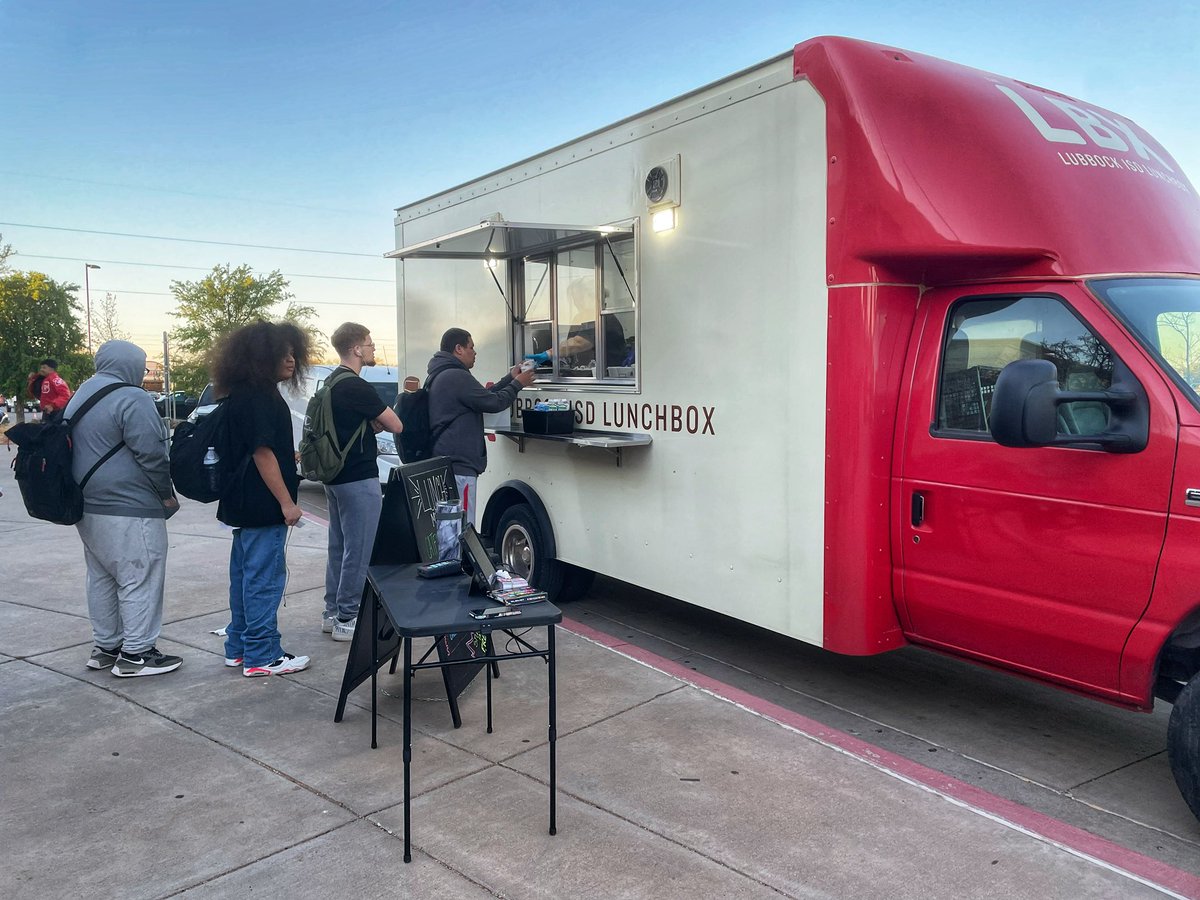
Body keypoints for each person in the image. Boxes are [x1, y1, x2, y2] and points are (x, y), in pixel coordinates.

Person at [67, 341, 182, 677]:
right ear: (129, 364)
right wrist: (166, 494)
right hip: (129, 505)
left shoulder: (82, 394)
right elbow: (152, 453)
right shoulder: (132, 397)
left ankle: (106, 648)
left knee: (102, 576)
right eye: (142, 365)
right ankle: (137, 654)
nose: (143, 372)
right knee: (139, 575)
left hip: (87, 506)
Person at [211, 321, 313, 677]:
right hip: (263, 506)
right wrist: (287, 503)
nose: (291, 359)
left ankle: (238, 648)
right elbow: (262, 453)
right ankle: (262, 654)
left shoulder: (239, 393)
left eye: (292, 352)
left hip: (241, 503)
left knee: (243, 578)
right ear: (261, 356)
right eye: (283, 352)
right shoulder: (261, 397)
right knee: (264, 580)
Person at [321, 322, 403, 642]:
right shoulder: (356, 386)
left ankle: (331, 613)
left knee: (339, 546)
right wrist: (378, 421)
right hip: (358, 476)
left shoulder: (329, 383)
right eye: (369, 344)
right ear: (356, 349)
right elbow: (395, 424)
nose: (372, 348)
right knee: (361, 548)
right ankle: (348, 616)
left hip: (333, 477)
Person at [427, 327, 536, 527]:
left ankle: (451, 558)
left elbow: (484, 397)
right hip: (459, 467)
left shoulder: (443, 373)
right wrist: (518, 384)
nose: (475, 352)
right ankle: (457, 559)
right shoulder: (456, 376)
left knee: (448, 525)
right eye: (471, 347)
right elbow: (494, 403)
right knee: (461, 528)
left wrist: (509, 378)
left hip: (447, 464)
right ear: (458, 349)